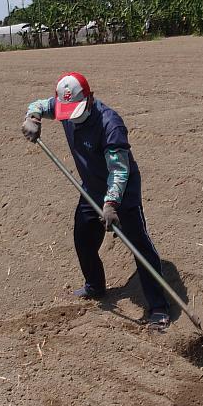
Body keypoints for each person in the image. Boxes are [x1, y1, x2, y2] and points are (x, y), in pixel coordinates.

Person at [21, 72, 170, 329]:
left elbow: (119, 171)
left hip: (122, 193)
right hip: (91, 189)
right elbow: (38, 104)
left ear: (89, 99)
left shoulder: (110, 124)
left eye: (77, 110)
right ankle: (95, 285)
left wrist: (111, 204)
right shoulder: (62, 106)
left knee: (139, 247)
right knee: (83, 240)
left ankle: (158, 307)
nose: (73, 118)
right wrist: (32, 118)